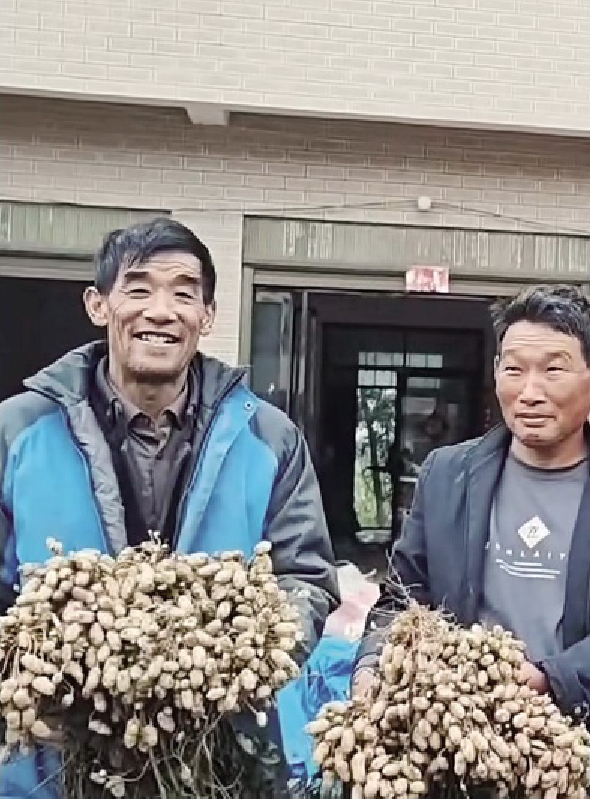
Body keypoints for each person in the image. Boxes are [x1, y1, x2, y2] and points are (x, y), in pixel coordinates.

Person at [0, 217, 340, 797]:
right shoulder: (18, 430)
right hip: (52, 763)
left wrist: (237, 665)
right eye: (138, 288)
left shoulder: (269, 437)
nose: (160, 311)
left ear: (207, 315)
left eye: (184, 294)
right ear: (98, 305)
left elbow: (305, 576)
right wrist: (38, 680)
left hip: (220, 755)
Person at [354, 284, 590, 799]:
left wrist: (554, 678)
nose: (530, 391)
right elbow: (403, 597)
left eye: (553, 369)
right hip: (465, 759)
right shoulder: (448, 475)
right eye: (515, 369)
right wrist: (372, 665)